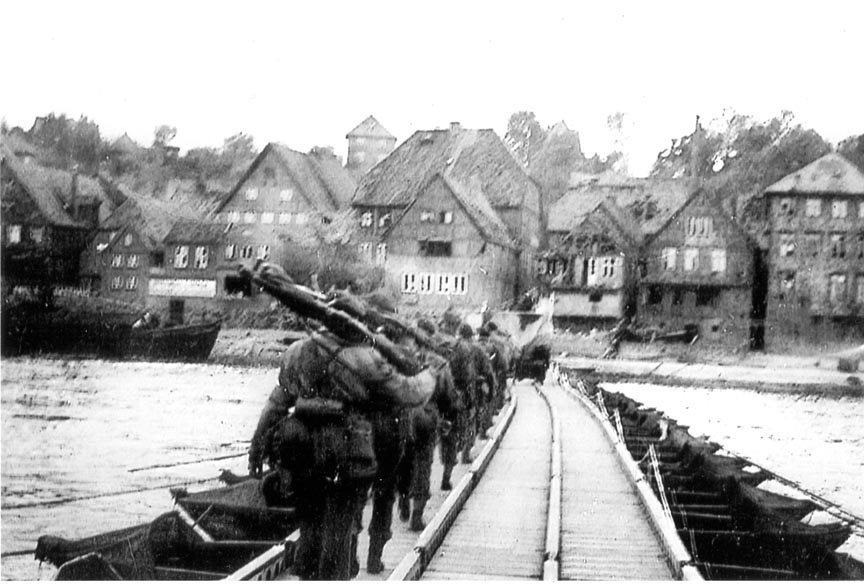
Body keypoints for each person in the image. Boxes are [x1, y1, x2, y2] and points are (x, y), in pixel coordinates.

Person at [248, 328, 435, 581]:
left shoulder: (297, 351)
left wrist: (256, 449)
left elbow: (275, 404)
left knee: (310, 525)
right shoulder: (364, 357)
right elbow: (409, 393)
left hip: (302, 453)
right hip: (347, 454)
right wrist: (429, 374)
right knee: (339, 531)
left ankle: (308, 577)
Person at [396, 323, 458, 532]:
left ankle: (403, 496)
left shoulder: (402, 357)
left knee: (404, 460)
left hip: (405, 415)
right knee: (424, 463)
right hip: (427, 416)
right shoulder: (440, 365)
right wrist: (447, 416)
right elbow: (447, 396)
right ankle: (417, 514)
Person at [459, 323, 496, 452]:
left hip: (453, 389)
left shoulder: (453, 347)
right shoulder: (477, 349)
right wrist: (491, 390)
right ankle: (466, 451)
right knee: (472, 418)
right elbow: (488, 371)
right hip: (472, 389)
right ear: (471, 335)